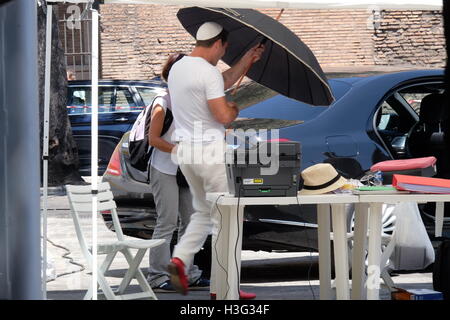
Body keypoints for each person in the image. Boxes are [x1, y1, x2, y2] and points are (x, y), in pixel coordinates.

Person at [167, 21, 264, 299]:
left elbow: (219, 82)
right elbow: (223, 115)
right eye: (225, 49)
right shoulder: (208, 72)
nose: (223, 54)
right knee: (227, 218)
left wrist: (248, 59)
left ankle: (180, 260)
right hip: (210, 152)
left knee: (203, 212)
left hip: (186, 151)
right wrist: (234, 108)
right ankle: (226, 287)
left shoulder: (179, 67)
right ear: (219, 44)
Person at [147, 53, 209, 292]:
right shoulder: (163, 102)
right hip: (164, 167)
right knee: (167, 222)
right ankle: (157, 276)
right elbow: (153, 139)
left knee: (191, 221)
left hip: (185, 169)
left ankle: (187, 274)